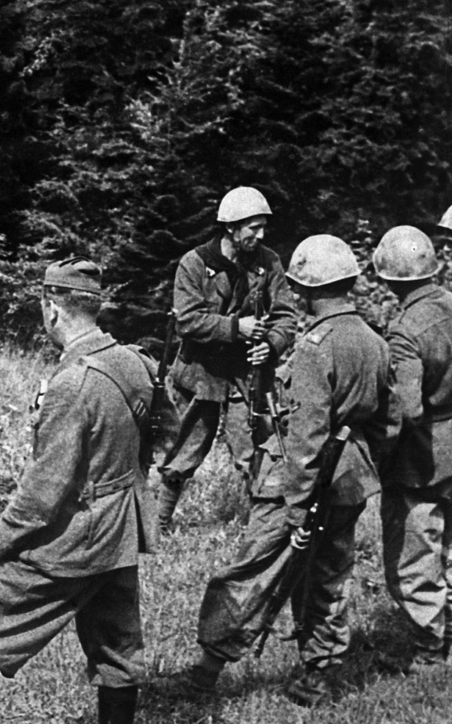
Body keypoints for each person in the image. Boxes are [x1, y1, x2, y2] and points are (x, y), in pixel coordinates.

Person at [185, 234, 394, 706]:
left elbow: (306, 438)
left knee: (252, 571)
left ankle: (205, 673)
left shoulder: (317, 346)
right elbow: (390, 421)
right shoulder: (376, 343)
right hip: (351, 479)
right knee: (327, 575)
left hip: (298, 484)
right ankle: (319, 675)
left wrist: (298, 507)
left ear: (305, 289)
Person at [0, 258, 155, 724]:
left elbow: (46, 487)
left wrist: (4, 539)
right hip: (121, 528)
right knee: (117, 649)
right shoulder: (134, 362)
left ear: (52, 309)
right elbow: (162, 433)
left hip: (79, 535)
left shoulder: (73, 383)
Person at [155, 186, 298, 531]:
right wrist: (237, 328)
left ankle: (261, 530)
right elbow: (187, 320)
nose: (261, 235)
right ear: (231, 227)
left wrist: (273, 345)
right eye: (253, 227)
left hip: (246, 375)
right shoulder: (195, 263)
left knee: (254, 455)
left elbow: (286, 316)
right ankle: (157, 525)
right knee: (182, 452)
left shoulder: (269, 262)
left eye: (263, 227)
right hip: (200, 371)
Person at [372, 226, 452, 673]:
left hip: (422, 459)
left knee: (414, 556)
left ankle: (429, 651)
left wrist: (379, 452)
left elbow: (408, 409)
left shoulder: (405, 330)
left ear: (391, 280)